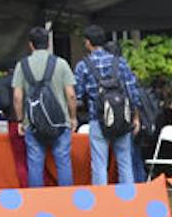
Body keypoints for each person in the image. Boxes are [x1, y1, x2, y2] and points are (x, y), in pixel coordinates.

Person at [74, 24, 144, 185]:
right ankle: (129, 198)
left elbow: (77, 94)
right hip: (122, 118)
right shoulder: (120, 63)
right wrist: (136, 118)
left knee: (99, 164)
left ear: (88, 42)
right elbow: (133, 92)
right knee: (125, 162)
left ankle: (103, 201)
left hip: (97, 119)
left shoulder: (83, 65)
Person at [11, 26, 78, 187]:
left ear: (30, 45)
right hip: (60, 122)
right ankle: (66, 199)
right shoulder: (61, 64)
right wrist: (73, 117)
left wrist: (20, 120)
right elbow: (71, 94)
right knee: (63, 161)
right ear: (48, 43)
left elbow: (17, 96)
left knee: (35, 163)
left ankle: (37, 201)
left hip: (33, 123)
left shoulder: (22, 65)